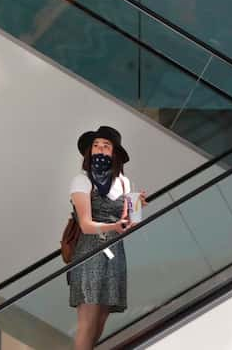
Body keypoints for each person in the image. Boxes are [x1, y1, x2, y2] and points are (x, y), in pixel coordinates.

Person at [69, 126, 146, 350]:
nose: (100, 150)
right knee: (87, 320)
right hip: (90, 252)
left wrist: (137, 204)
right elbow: (85, 224)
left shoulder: (124, 182)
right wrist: (114, 225)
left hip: (114, 254)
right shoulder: (81, 181)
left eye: (106, 146)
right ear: (89, 152)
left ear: (115, 153)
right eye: (96, 146)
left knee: (101, 319)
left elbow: (132, 223)